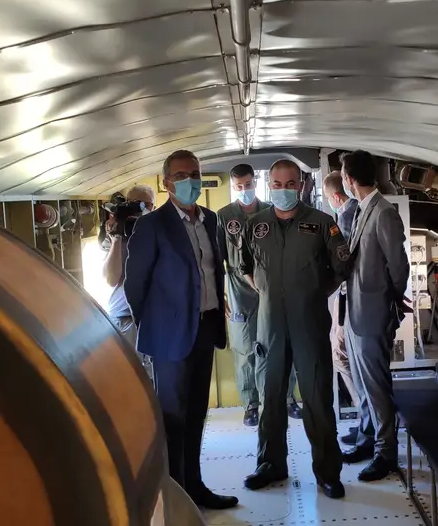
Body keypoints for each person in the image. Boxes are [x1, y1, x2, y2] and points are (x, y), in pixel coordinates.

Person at [124, 150, 238, 510]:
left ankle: (195, 487)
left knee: (195, 415)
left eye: (195, 174)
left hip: (205, 327)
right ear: (167, 182)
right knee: (173, 418)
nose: (189, 181)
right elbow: (134, 286)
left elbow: (212, 272)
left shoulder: (210, 221)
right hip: (169, 336)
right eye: (181, 175)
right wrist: (155, 327)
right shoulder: (151, 226)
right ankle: (175, 502)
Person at [239, 159, 352, 499]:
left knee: (317, 399)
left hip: (309, 325)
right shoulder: (255, 225)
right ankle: (270, 464)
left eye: (290, 183)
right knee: (271, 398)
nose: (283, 189)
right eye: (276, 183)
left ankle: (327, 472)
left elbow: (341, 267)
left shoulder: (322, 224)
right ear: (267, 185)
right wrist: (271, 294)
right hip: (270, 326)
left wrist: (314, 293)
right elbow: (245, 267)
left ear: (301, 185)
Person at [340, 150, 411, 482]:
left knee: (377, 386)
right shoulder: (361, 211)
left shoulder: (383, 212)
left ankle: (386, 453)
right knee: (365, 386)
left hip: (373, 312)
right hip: (354, 313)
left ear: (350, 179)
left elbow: (399, 267)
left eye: (343, 175)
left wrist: (390, 299)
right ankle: (368, 440)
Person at [217, 164, 302, 428]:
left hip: (270, 287)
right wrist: (220, 296)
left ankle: (287, 399)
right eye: (239, 187)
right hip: (238, 290)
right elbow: (215, 259)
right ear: (233, 187)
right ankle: (250, 404)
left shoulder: (270, 211)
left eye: (248, 185)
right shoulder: (223, 216)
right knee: (245, 350)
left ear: (256, 182)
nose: (245, 190)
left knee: (280, 345)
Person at [321, 171, 362, 446]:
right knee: (343, 356)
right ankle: (365, 419)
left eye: (328, 199)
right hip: (347, 297)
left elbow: (342, 261)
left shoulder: (346, 216)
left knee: (342, 356)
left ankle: (365, 418)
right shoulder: (355, 211)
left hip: (349, 297)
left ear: (336, 196)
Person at [102, 185, 156, 379]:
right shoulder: (116, 236)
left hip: (153, 317)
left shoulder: (158, 231)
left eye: (148, 205)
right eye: (136, 205)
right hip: (124, 318)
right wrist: (117, 238)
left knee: (155, 378)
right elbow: (110, 278)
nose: (142, 209)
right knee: (129, 377)